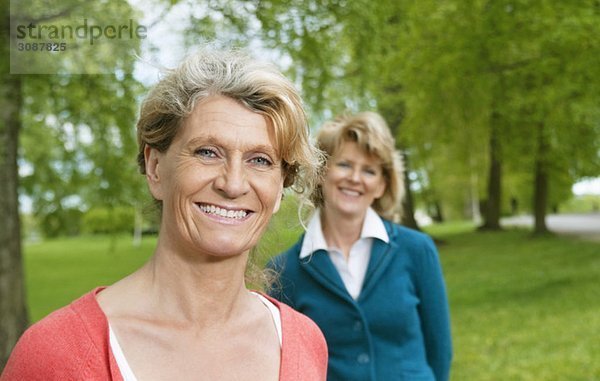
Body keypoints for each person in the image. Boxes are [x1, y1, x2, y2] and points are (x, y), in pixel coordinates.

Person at [2, 49, 327, 381]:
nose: (233, 184)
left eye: (260, 160)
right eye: (208, 152)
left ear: (279, 188)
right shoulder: (56, 355)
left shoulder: (305, 341)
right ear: (155, 168)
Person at [268, 112, 452, 381]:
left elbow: (440, 350)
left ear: (381, 185)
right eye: (344, 165)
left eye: (369, 171)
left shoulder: (417, 250)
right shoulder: (283, 270)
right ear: (321, 172)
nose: (355, 178)